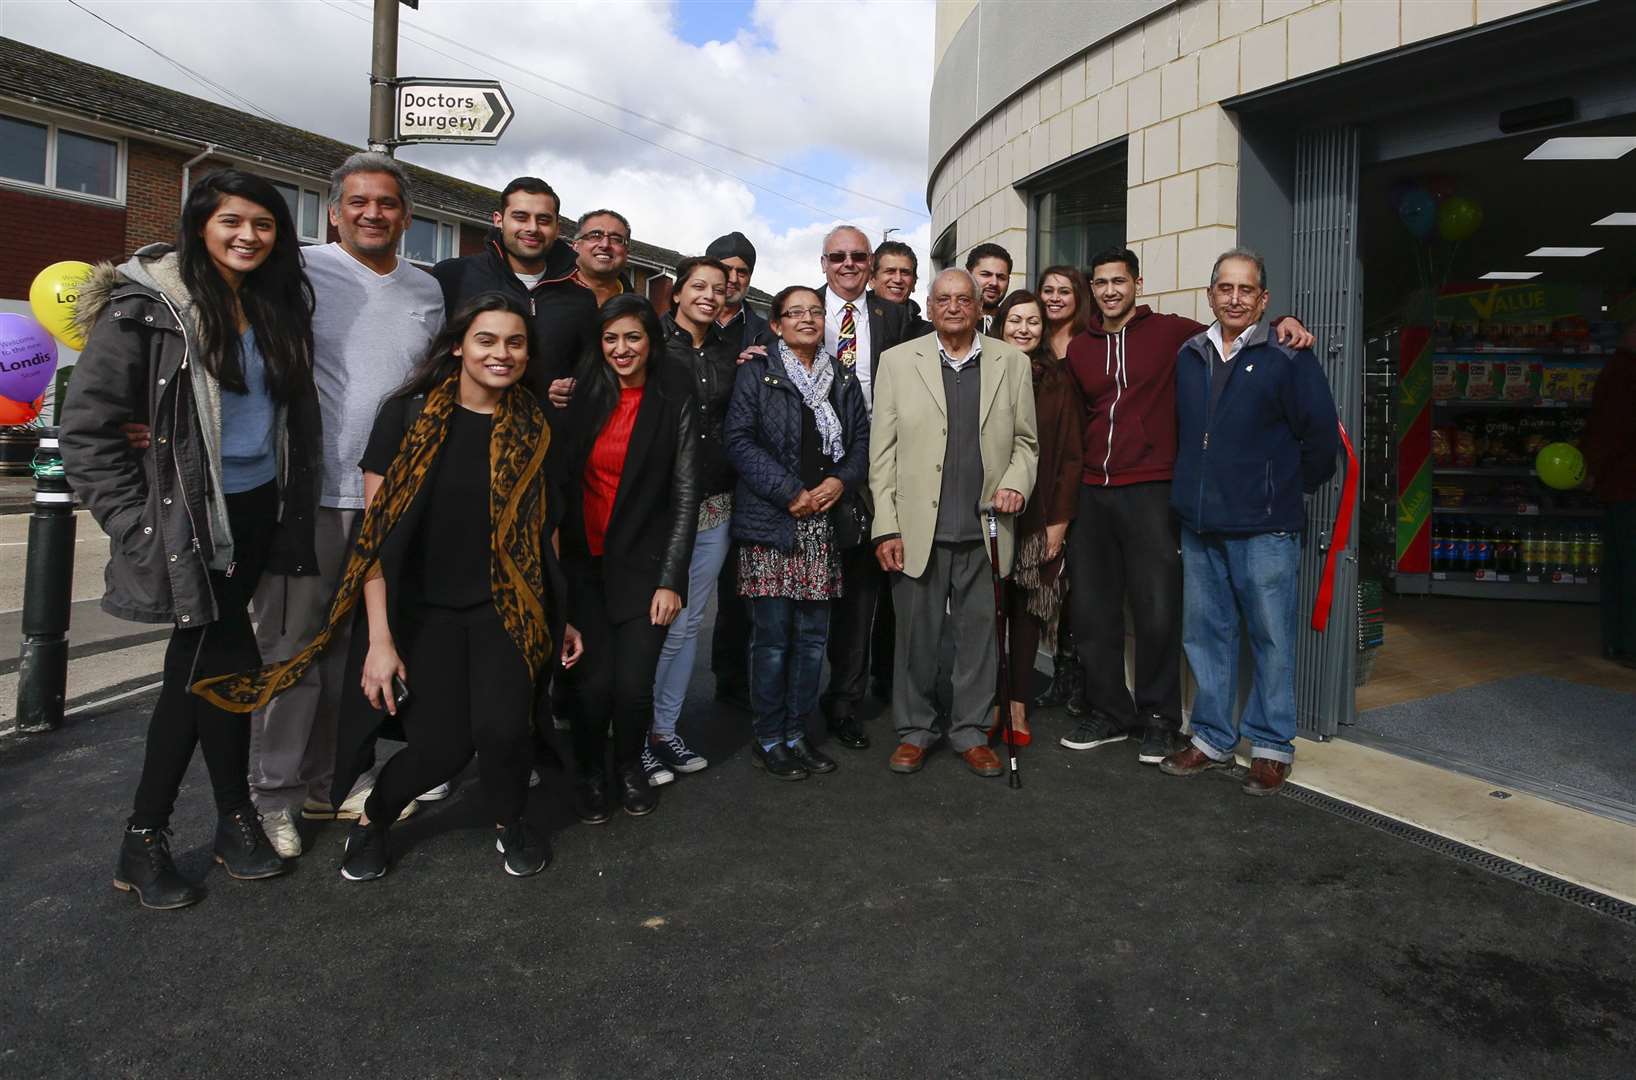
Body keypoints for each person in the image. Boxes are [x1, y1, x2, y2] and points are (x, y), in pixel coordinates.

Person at [196, 292, 578, 880]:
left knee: (506, 730)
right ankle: (375, 819)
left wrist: (563, 611)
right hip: (425, 611)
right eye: (486, 339)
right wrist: (379, 639)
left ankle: (510, 820)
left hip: (509, 604)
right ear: (457, 345)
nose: (501, 353)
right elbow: (372, 539)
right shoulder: (406, 414)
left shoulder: (536, 422)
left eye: (515, 342)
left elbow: (547, 526)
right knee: (443, 748)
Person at [62, 169, 320, 909]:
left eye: (264, 224)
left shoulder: (272, 305)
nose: (248, 235)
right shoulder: (146, 308)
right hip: (186, 521)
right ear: (199, 226)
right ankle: (152, 837)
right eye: (232, 221)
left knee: (219, 663)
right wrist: (135, 523)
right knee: (201, 667)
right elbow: (88, 431)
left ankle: (219, 824)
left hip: (255, 508)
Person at [239, 153, 446, 856]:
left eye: (386, 203)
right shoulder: (298, 273)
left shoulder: (427, 291)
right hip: (313, 497)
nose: (372, 214)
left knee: (361, 651)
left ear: (406, 216)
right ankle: (274, 795)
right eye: (358, 202)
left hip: (394, 501)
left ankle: (331, 783)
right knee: (295, 652)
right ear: (334, 211)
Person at [1063, 246, 1313, 764]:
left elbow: (1242, 326)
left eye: (1120, 281)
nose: (1111, 290)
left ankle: (1161, 719)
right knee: (1094, 612)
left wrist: (1288, 320)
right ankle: (1112, 712)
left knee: (1160, 612)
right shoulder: (1080, 349)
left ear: (1138, 284)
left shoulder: (1175, 335)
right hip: (1095, 491)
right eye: (1101, 283)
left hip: (1155, 489)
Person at [1159, 249, 1338, 796]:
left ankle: (1270, 746)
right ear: (1210, 295)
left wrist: (1279, 490)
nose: (1234, 298)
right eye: (1225, 288)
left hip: (1265, 527)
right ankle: (1212, 738)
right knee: (1206, 637)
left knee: (1271, 638)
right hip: (1201, 522)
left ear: (1263, 299)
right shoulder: (1190, 354)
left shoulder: (1289, 354)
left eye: (1247, 290)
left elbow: (1321, 441)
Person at [871, 269, 1038, 777]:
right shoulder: (898, 362)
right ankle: (915, 731)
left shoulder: (1011, 362)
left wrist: (1016, 482)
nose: (953, 307)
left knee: (980, 641)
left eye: (963, 299)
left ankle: (969, 730)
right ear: (930, 304)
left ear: (979, 306)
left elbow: (1027, 443)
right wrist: (886, 526)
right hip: (919, 529)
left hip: (986, 530)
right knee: (916, 640)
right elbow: (882, 454)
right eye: (943, 299)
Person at [555, 294, 700, 821]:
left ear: (651, 341)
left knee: (633, 686)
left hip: (646, 567)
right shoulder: (584, 397)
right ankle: (592, 772)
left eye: (633, 337)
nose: (622, 349)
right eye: (611, 338)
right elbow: (561, 486)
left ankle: (629, 768)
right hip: (584, 567)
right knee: (592, 686)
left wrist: (671, 580)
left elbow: (686, 496)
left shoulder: (673, 396)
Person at [725, 285, 871, 779]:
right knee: (772, 638)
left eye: (814, 311)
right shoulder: (757, 370)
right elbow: (739, 441)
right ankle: (767, 738)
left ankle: (795, 733)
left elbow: (860, 442)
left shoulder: (843, 378)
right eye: (795, 312)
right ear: (777, 324)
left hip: (822, 523)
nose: (807, 318)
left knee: (812, 638)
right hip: (773, 522)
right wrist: (790, 492)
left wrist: (838, 481)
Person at [816, 225, 915, 750]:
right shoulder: (800, 310)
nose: (849, 265)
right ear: (824, 262)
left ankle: (845, 702)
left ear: (870, 263)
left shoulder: (894, 316)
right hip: (814, 473)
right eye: (838, 257)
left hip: (878, 470)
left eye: (858, 256)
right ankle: (797, 697)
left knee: (862, 593)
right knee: (813, 594)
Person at [645, 257, 737, 785]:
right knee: (650, 625)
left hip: (715, 507)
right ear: (676, 293)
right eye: (698, 286)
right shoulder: (652, 346)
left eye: (718, 288)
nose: (708, 295)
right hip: (660, 509)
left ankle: (665, 729)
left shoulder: (731, 355)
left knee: (687, 626)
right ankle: (634, 736)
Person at [992, 290, 1083, 745]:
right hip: (986, 515)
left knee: (1026, 615)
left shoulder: (1057, 380)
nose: (1023, 329)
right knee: (987, 611)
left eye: (1033, 321)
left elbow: (1070, 456)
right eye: (1015, 320)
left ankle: (1017, 705)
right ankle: (985, 701)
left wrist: (1059, 523)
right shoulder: (981, 371)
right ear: (1000, 324)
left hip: (1037, 516)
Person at [431, 176, 597, 410]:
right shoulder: (453, 277)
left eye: (543, 220)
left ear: (557, 227)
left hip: (547, 437)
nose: (532, 228)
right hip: (464, 429)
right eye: (520, 217)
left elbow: (590, 372)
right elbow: (430, 356)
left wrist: (575, 387)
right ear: (499, 220)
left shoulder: (581, 299)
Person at [704, 230, 771, 714]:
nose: (732, 280)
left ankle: (730, 682)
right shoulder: (685, 321)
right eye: (725, 270)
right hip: (693, 474)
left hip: (743, 477)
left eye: (742, 272)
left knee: (737, 591)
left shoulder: (762, 330)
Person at [1029, 265, 1095, 717]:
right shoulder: (1030, 341)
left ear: (1079, 296)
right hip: (1041, 473)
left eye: (1064, 291)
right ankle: (1057, 673)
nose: (1054, 298)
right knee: (1047, 580)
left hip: (1086, 470)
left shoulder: (1092, 341)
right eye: (1047, 291)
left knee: (1079, 586)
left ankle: (1079, 678)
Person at [1583, 319, 1636, 668]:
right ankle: (1628, 643)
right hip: (1628, 484)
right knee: (1628, 567)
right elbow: (1613, 431)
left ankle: (1619, 641)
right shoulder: (1625, 374)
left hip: (1620, 485)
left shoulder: (1618, 371)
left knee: (1620, 566)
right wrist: (1593, 466)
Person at [571, 208, 634, 307]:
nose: (605, 245)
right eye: (595, 236)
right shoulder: (546, 292)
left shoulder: (638, 311)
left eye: (616, 239)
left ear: (627, 252)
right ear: (575, 246)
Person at [965, 242, 1013, 333]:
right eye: (986, 275)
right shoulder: (949, 322)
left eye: (1001, 277)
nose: (994, 283)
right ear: (967, 275)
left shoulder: (1014, 328)